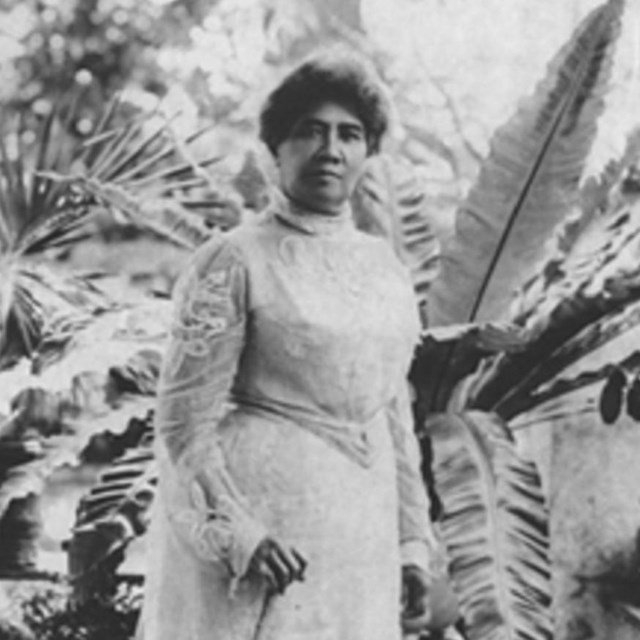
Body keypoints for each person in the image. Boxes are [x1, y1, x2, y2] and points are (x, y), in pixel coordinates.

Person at [138, 49, 440, 640]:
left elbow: (394, 413)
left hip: (361, 526)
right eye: (310, 131)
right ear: (276, 148)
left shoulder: (385, 267)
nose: (330, 150)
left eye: (349, 135)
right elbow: (181, 424)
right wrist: (240, 531)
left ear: (367, 152)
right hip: (267, 530)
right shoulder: (233, 259)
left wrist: (411, 545)